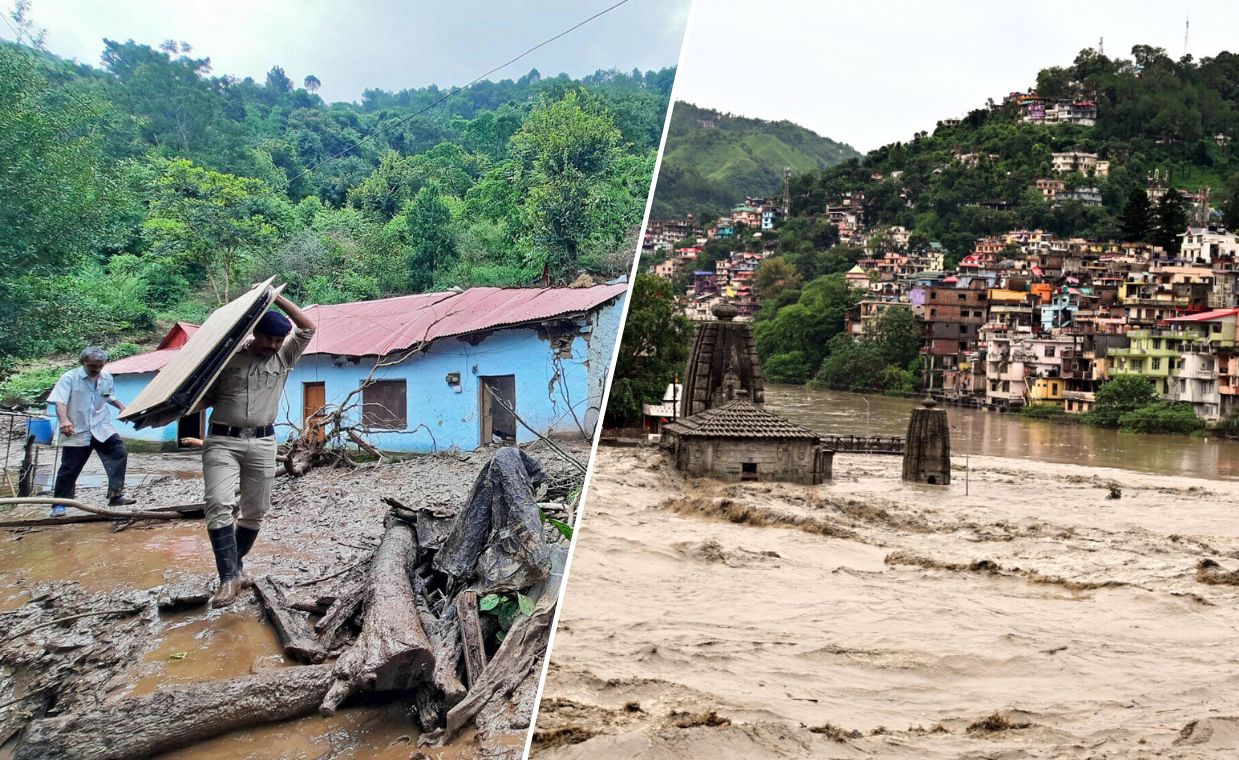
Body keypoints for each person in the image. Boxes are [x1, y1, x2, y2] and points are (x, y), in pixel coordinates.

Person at [199, 294, 316, 608]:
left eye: (279, 340)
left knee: (255, 511)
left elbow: (307, 328)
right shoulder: (227, 359)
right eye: (268, 339)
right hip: (223, 440)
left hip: (264, 443)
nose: (274, 345)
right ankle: (227, 578)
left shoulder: (284, 358)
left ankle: (234, 568)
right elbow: (200, 395)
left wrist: (277, 299)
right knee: (219, 502)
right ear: (254, 334)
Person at [48, 347, 135, 516]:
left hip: (101, 426)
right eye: (92, 366)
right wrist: (64, 420)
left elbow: (108, 396)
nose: (96, 370)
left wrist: (122, 408)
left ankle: (115, 495)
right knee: (70, 467)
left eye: (100, 366)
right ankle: (60, 504)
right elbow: (60, 402)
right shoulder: (69, 378)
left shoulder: (106, 377)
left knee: (119, 452)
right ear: (83, 363)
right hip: (77, 428)